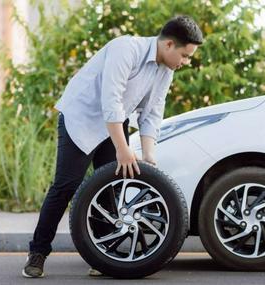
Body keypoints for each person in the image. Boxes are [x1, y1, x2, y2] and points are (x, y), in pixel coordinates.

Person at [22, 15, 203, 278]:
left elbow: (152, 113)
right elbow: (111, 99)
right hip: (82, 118)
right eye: (185, 56)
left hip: (114, 123)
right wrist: (122, 148)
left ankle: (102, 256)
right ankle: (37, 253)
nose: (186, 63)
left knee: (110, 189)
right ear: (169, 45)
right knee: (66, 186)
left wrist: (149, 155)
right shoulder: (125, 49)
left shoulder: (166, 71)